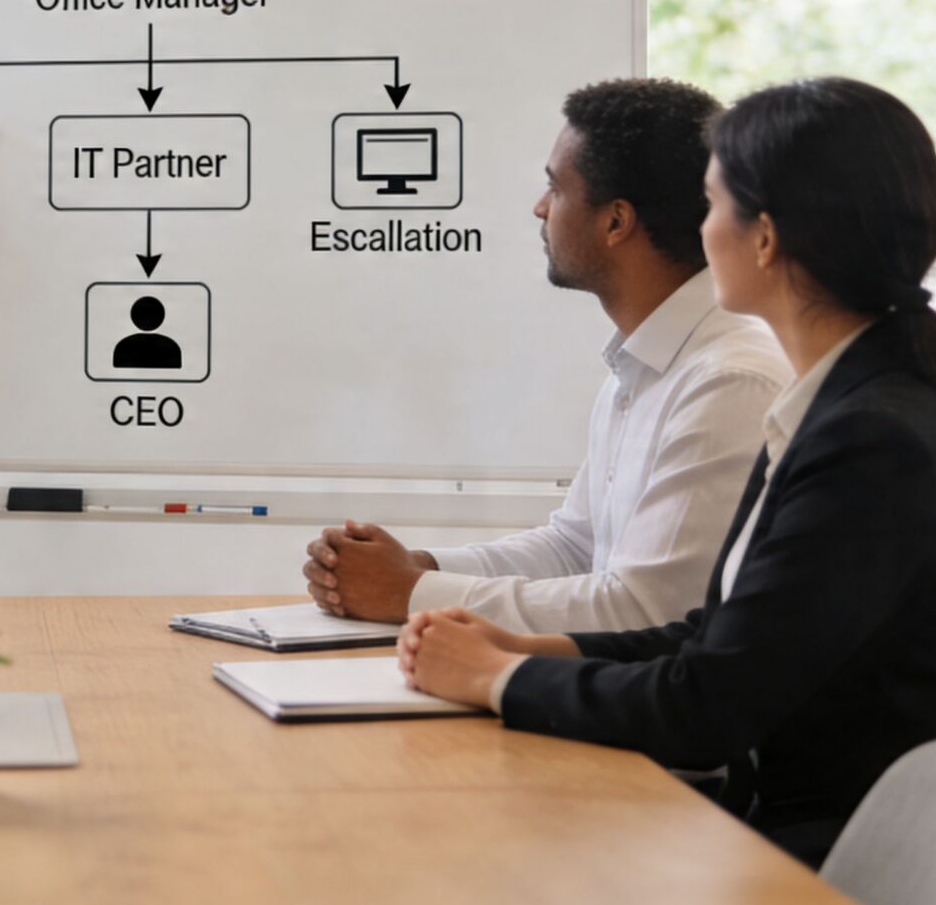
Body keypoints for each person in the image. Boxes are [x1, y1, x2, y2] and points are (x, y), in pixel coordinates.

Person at [399, 76, 936, 868]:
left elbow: (710, 705)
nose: (698, 233)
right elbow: (719, 636)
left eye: (711, 207)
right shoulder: (839, 405)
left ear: (765, 239)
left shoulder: (874, 438)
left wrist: (499, 677)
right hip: (813, 819)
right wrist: (536, 650)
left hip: (868, 852)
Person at [303, 79, 788, 632]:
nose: (539, 208)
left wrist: (411, 593)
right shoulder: (646, 365)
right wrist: (421, 567)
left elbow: (647, 611)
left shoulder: (728, 382)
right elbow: (575, 547)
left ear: (615, 221)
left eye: (555, 189)